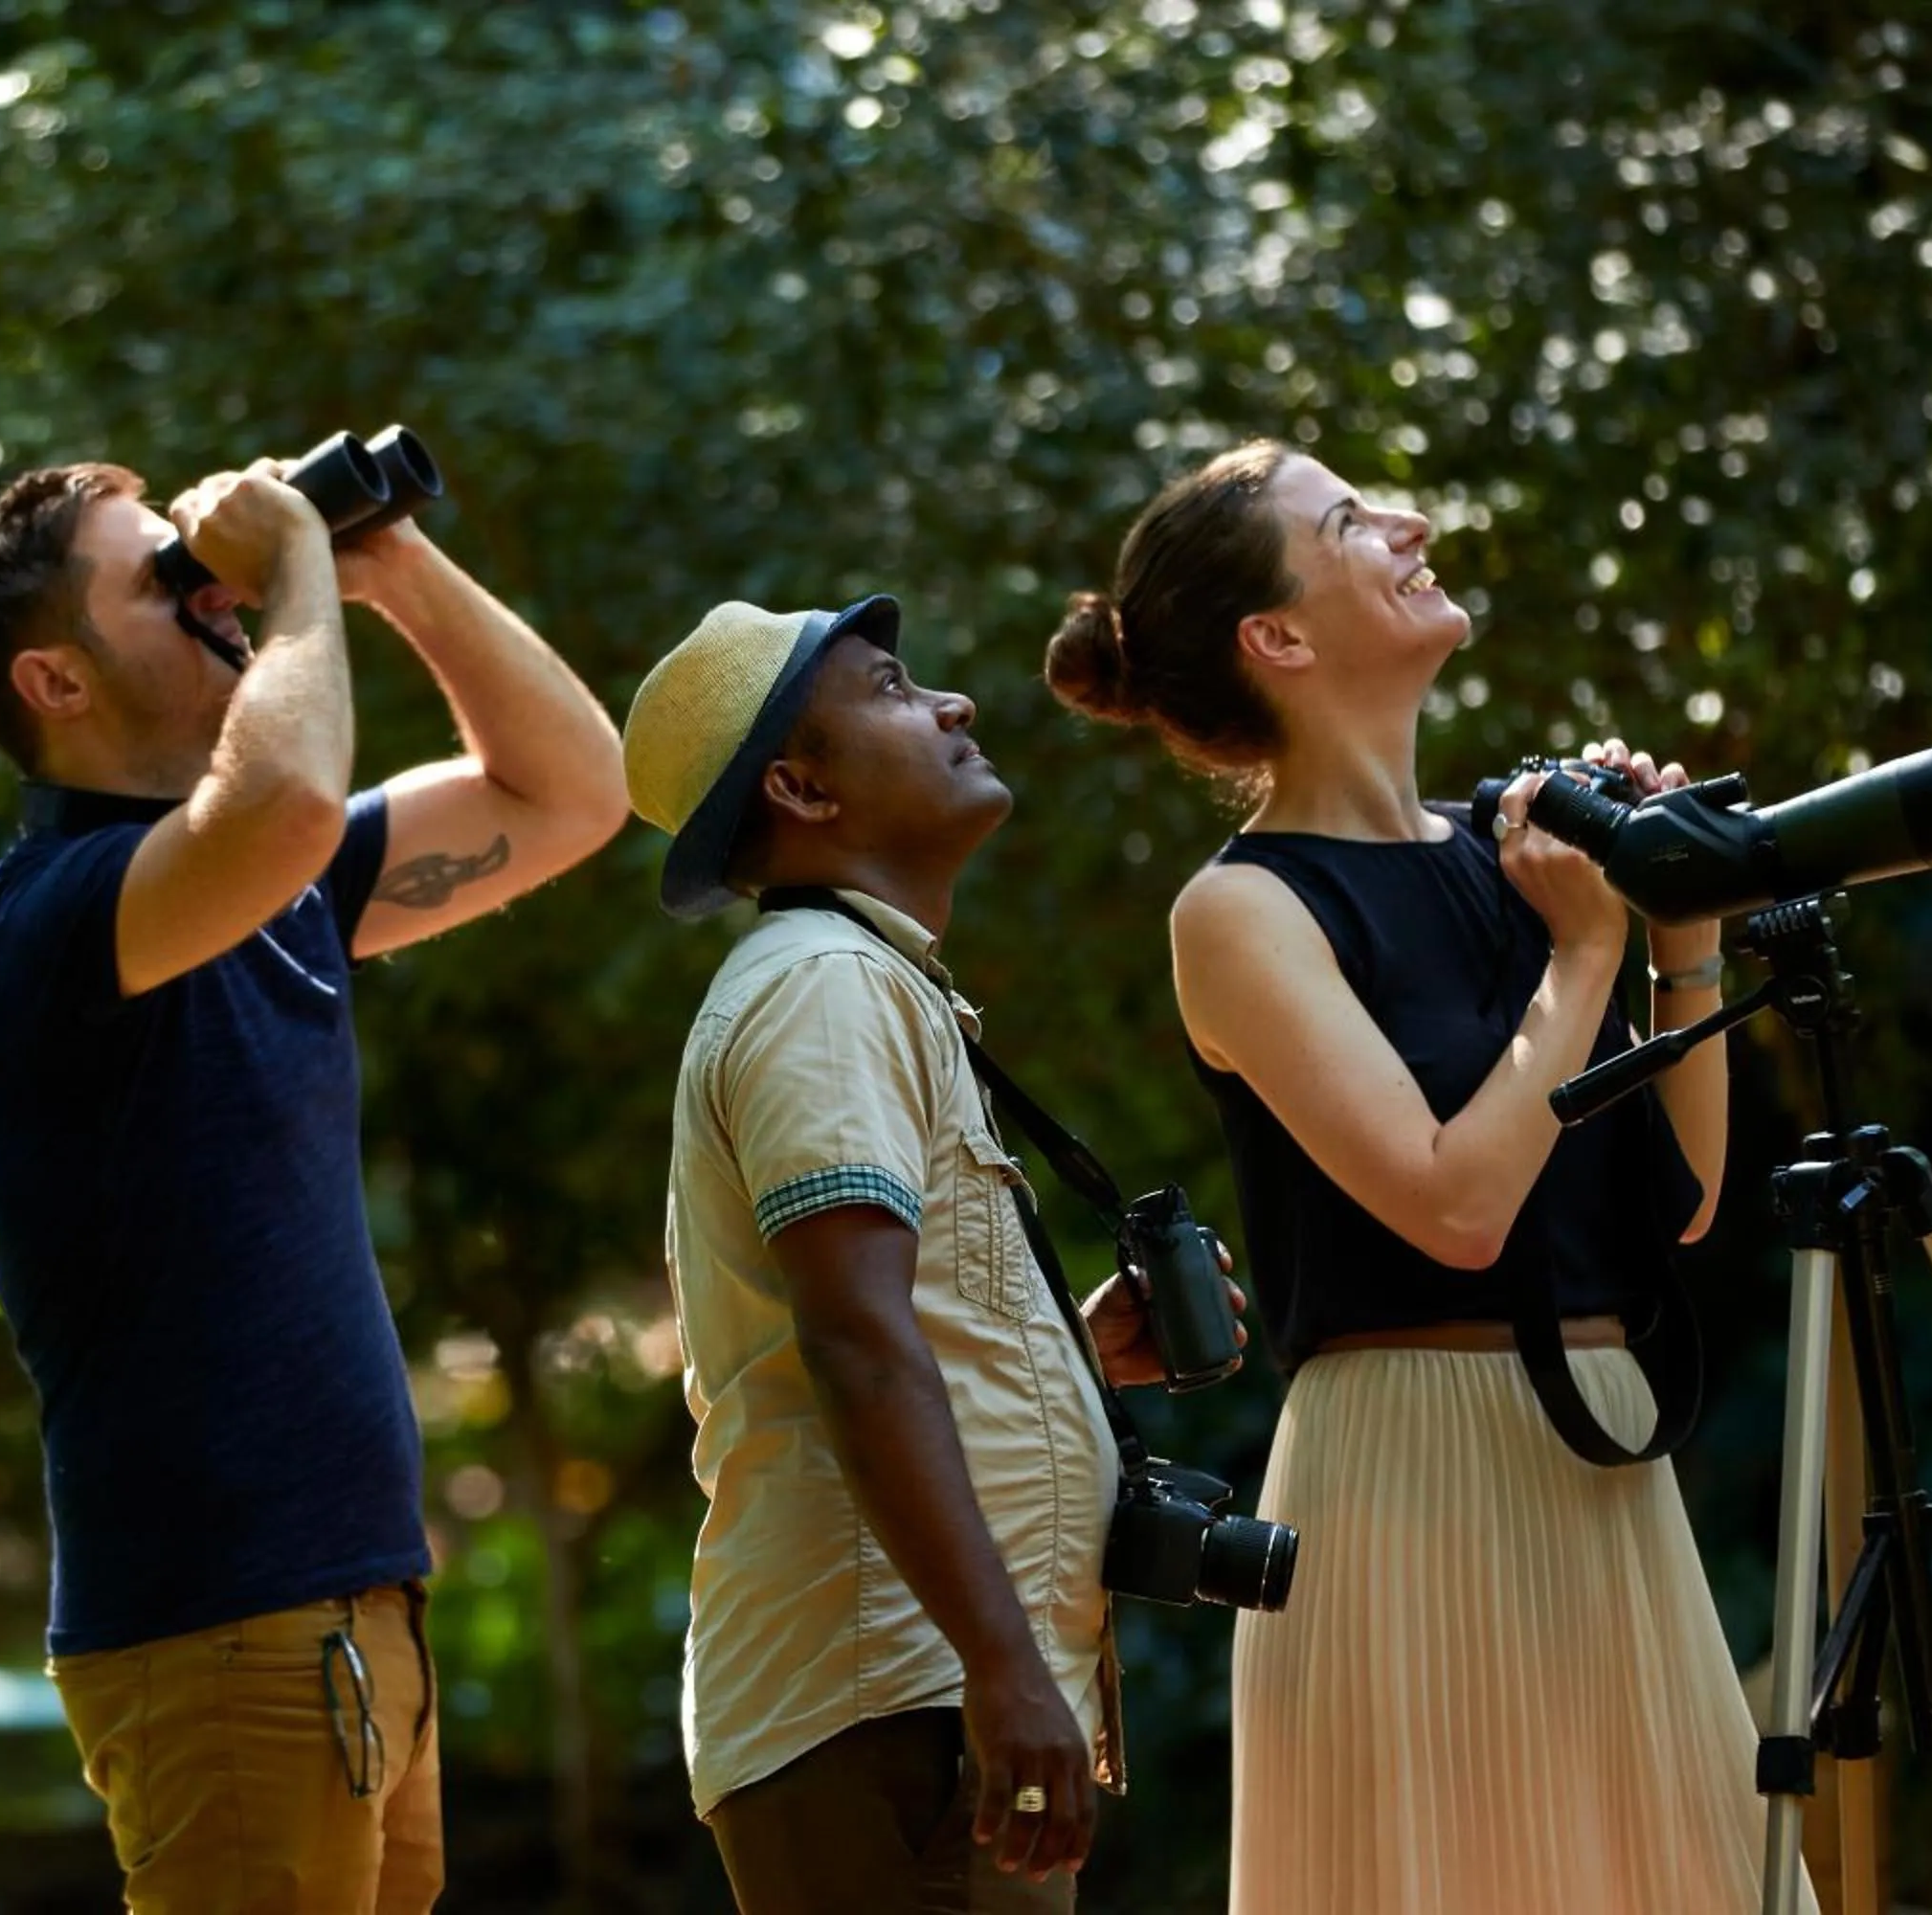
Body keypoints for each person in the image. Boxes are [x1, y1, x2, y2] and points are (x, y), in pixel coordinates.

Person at [1044, 440, 1807, 1915]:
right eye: (1351, 522)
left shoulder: (1513, 855)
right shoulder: (1243, 911)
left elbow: (1683, 1203)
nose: (1413, 525)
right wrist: (1584, 953)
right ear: (1280, 638)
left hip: (1599, 1463)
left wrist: (1676, 934)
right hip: (1409, 1477)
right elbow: (1453, 1205)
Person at [0, 451, 627, 1913]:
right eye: (161, 575)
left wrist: (388, 570)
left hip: (355, 1604)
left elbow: (573, 792)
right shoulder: (52, 919)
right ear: (57, 682)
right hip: (218, 1630)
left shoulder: (271, 882)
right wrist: (293, 568)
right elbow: (288, 802)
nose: (208, 584)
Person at [619, 595, 1235, 1913]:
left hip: (913, 1698)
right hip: (895, 1708)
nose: (952, 705)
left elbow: (871, 1327)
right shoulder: (821, 987)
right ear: (797, 784)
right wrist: (1001, 1666)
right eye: (895, 690)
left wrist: (1058, 1358)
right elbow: (852, 1340)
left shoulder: (861, 980)